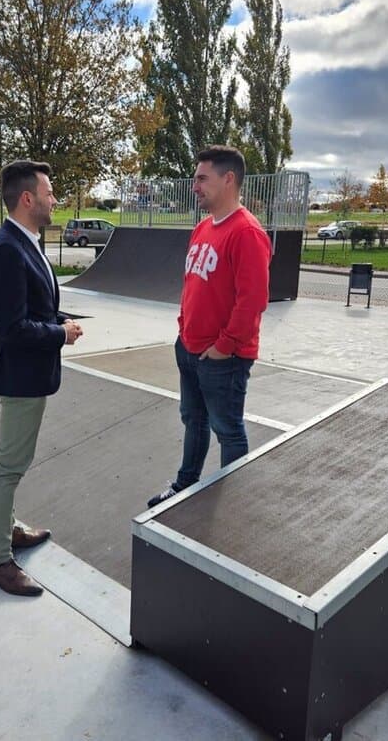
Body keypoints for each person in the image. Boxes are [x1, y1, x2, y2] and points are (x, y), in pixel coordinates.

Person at [148, 145, 272, 508]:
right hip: (189, 347)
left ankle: (232, 509)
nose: (194, 186)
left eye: (202, 178)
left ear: (228, 179)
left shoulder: (247, 232)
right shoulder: (203, 227)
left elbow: (252, 302)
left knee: (228, 431)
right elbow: (193, 284)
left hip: (223, 358)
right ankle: (185, 485)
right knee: (193, 420)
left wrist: (224, 347)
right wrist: (184, 329)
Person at [0, 160, 84, 596]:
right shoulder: (7, 248)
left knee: (13, 464)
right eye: (49, 191)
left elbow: (33, 308)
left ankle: (8, 534)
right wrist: (60, 333)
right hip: (21, 377)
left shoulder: (25, 242)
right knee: (9, 467)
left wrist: (59, 319)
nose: (54, 199)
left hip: (31, 375)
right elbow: (15, 329)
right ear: (28, 199)